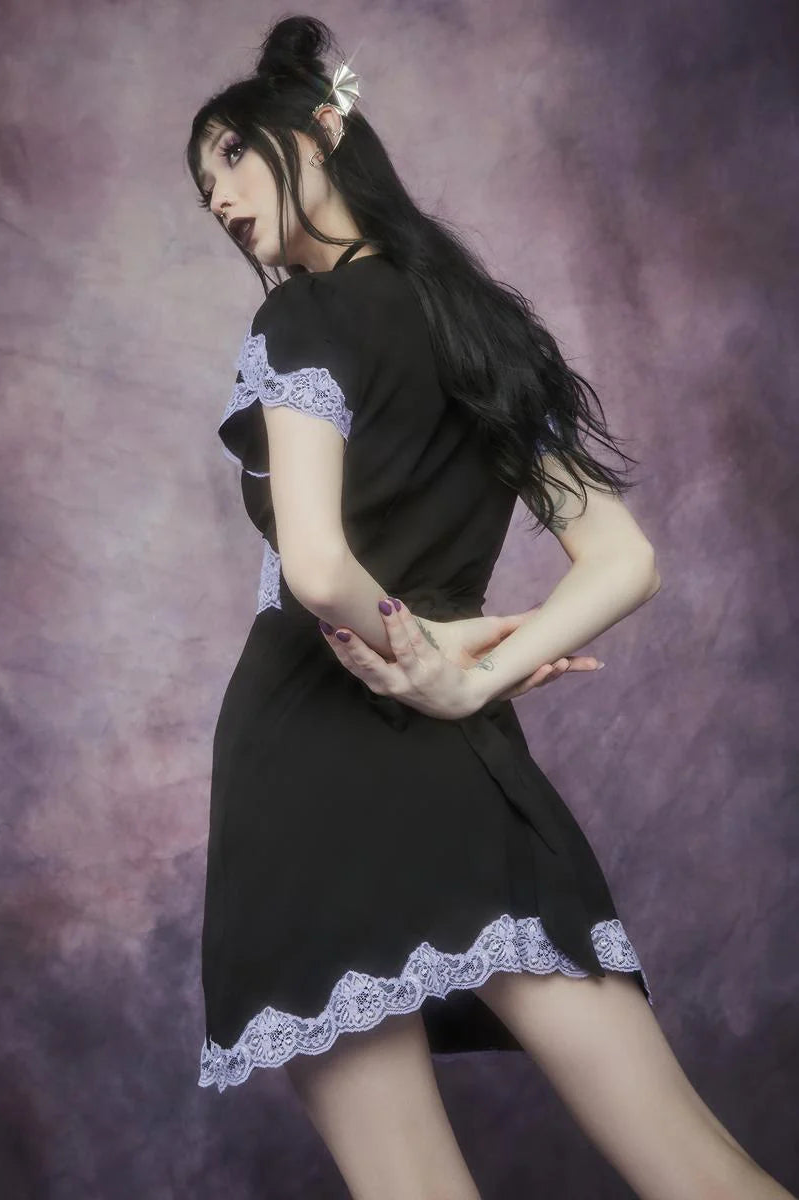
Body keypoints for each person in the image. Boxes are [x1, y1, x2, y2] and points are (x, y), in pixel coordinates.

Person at [186, 16, 796, 1200]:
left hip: (306, 752)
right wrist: (463, 678)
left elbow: (317, 570)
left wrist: (423, 653)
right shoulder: (490, 331)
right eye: (202, 180)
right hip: (464, 760)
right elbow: (623, 559)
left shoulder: (298, 319)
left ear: (324, 129)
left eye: (233, 153)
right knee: (699, 1169)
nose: (218, 195)